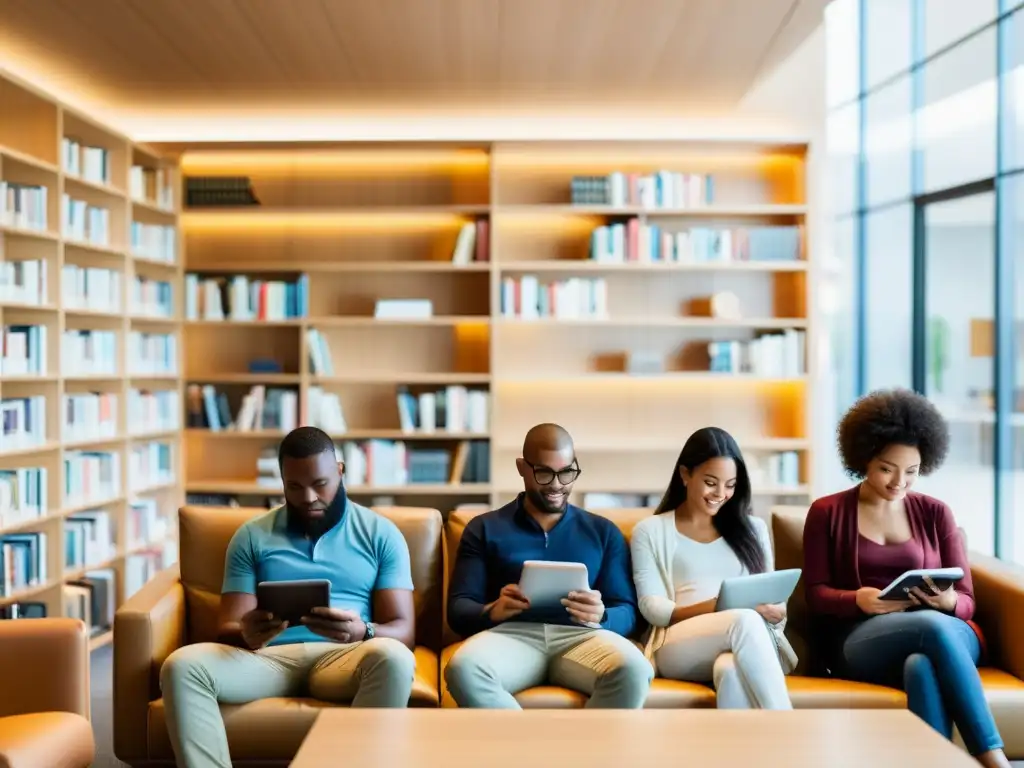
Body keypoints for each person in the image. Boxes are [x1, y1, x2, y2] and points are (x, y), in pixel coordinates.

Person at [159, 426, 417, 768]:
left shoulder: (381, 534)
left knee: (396, 658)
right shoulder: (251, 536)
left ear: (340, 471)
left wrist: (363, 631)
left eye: (320, 484)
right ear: (282, 482)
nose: (308, 497)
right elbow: (228, 625)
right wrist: (245, 632)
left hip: (345, 658)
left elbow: (404, 631)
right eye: (294, 486)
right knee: (182, 666)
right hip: (268, 659)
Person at [803, 388, 1009, 768]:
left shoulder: (935, 513)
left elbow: (966, 600)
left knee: (925, 651)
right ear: (863, 458)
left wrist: (949, 603)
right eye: (886, 468)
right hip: (862, 638)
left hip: (949, 630)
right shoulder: (826, 512)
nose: (899, 482)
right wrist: (857, 600)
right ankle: (992, 758)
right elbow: (815, 595)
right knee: (923, 648)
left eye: (911, 472)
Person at [444, 422, 653, 708]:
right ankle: (528, 752)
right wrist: (493, 610)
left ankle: (587, 753)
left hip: (582, 638)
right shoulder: (484, 528)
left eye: (567, 472)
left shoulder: (603, 532)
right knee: (463, 669)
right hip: (512, 636)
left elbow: (629, 612)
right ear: (522, 467)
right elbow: (458, 609)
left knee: (636, 669)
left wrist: (602, 615)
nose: (557, 484)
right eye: (544, 472)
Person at [630, 426, 794, 709]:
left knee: (730, 670)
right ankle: (789, 729)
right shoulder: (650, 531)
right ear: (685, 475)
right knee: (744, 619)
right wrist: (719, 605)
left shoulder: (753, 529)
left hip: (745, 640)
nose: (721, 493)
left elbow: (774, 599)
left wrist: (777, 612)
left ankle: (735, 753)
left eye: (730, 485)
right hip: (677, 643)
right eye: (711, 482)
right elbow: (652, 608)